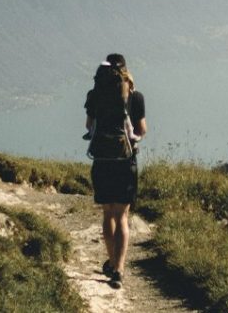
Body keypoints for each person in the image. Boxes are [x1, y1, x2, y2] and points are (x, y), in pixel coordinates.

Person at [84, 53, 146, 289]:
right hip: (125, 162)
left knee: (108, 214)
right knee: (122, 217)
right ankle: (118, 269)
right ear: (125, 71)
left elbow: (89, 126)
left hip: (101, 161)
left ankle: (111, 262)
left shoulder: (95, 95)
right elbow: (141, 129)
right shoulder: (135, 96)